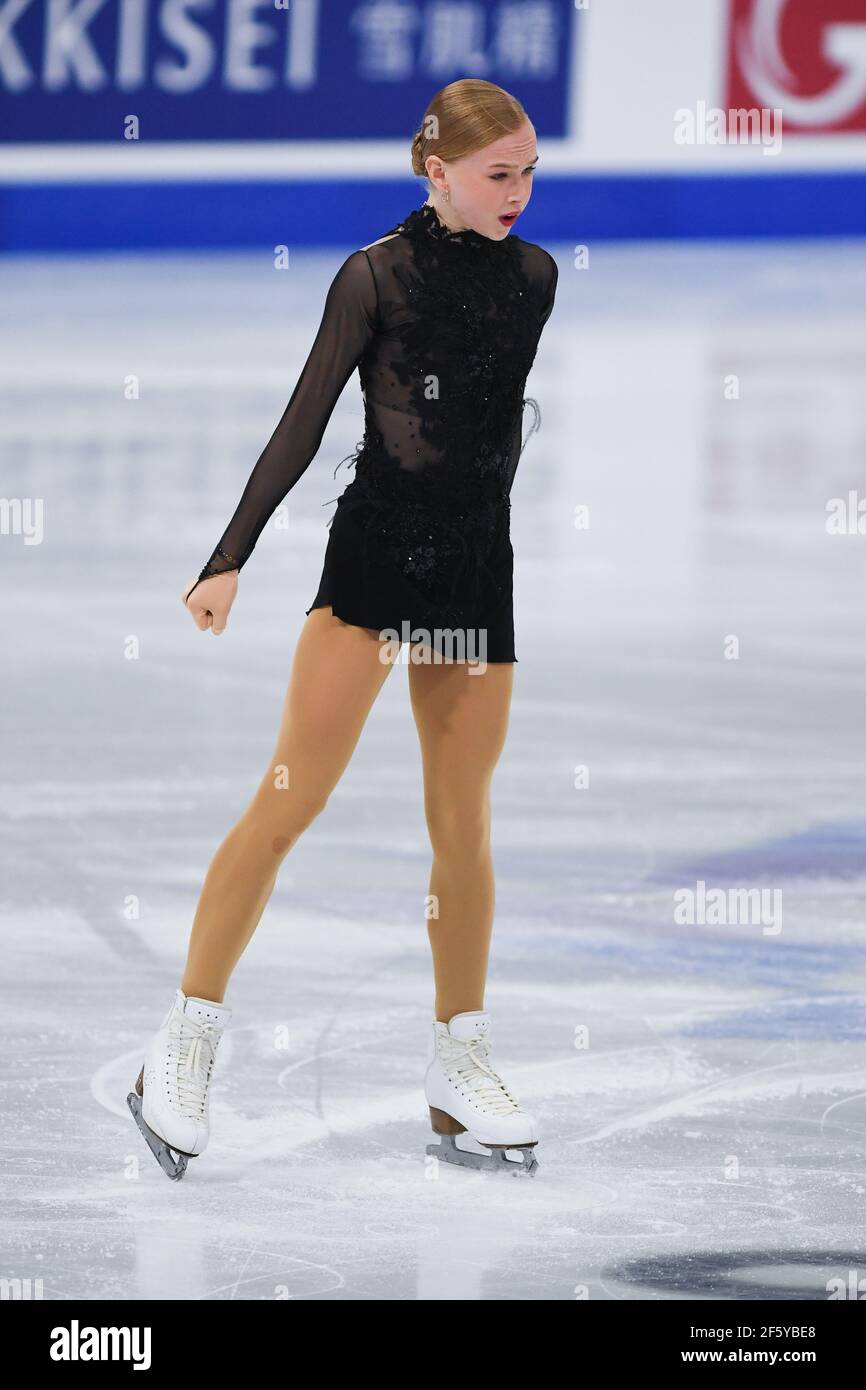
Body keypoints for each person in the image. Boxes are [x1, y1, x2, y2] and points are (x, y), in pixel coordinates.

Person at [127, 79, 558, 1180]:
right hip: (374, 569)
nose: (516, 193)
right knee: (288, 799)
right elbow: (303, 418)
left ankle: (458, 1059)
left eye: (527, 172)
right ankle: (181, 1044)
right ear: (437, 172)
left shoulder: (533, 279)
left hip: (468, 578)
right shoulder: (373, 275)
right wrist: (228, 557)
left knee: (460, 820)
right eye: (497, 172)